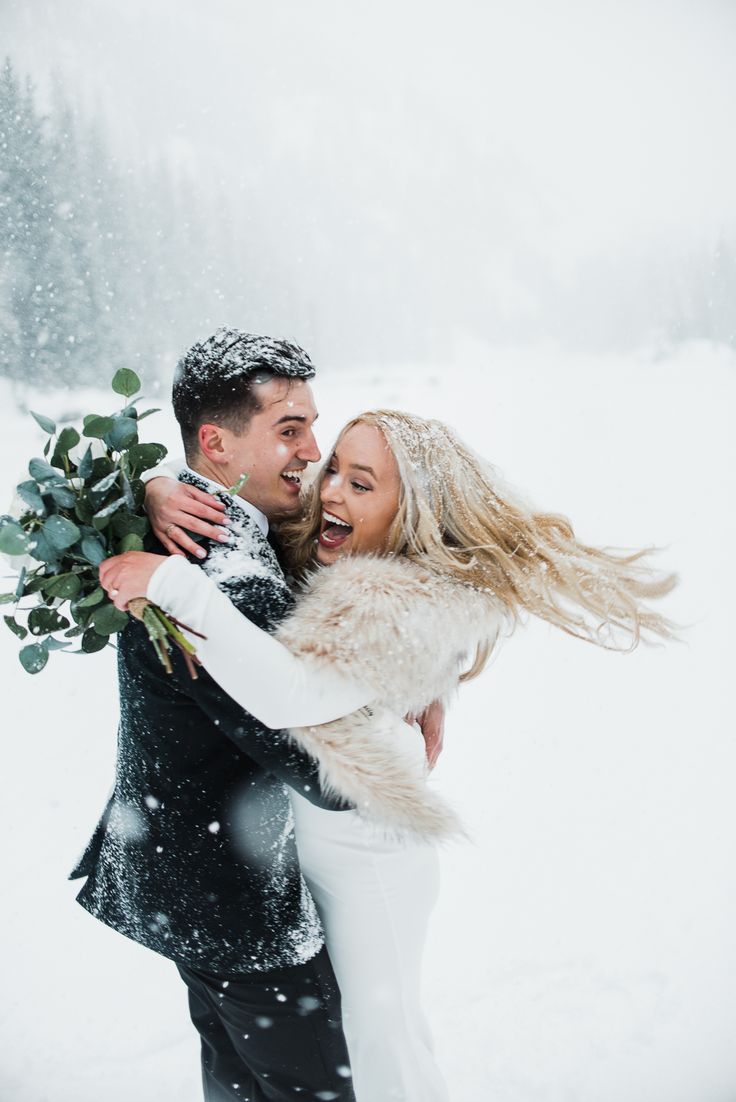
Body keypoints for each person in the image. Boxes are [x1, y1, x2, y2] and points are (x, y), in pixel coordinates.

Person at [101, 407, 679, 1102]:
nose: (331, 489)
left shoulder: (398, 599)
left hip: (369, 870)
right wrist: (161, 487)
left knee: (382, 1046)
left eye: (361, 482)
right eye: (335, 468)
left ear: (413, 510)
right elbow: (234, 490)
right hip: (321, 853)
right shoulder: (335, 551)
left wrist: (172, 587)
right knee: (359, 1037)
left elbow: (292, 693)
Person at [71, 328, 383, 1102]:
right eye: (289, 430)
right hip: (238, 910)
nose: (312, 451)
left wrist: (145, 485)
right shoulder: (221, 578)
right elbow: (327, 773)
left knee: (240, 1087)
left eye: (311, 425)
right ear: (214, 443)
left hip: (186, 881)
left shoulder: (205, 521)